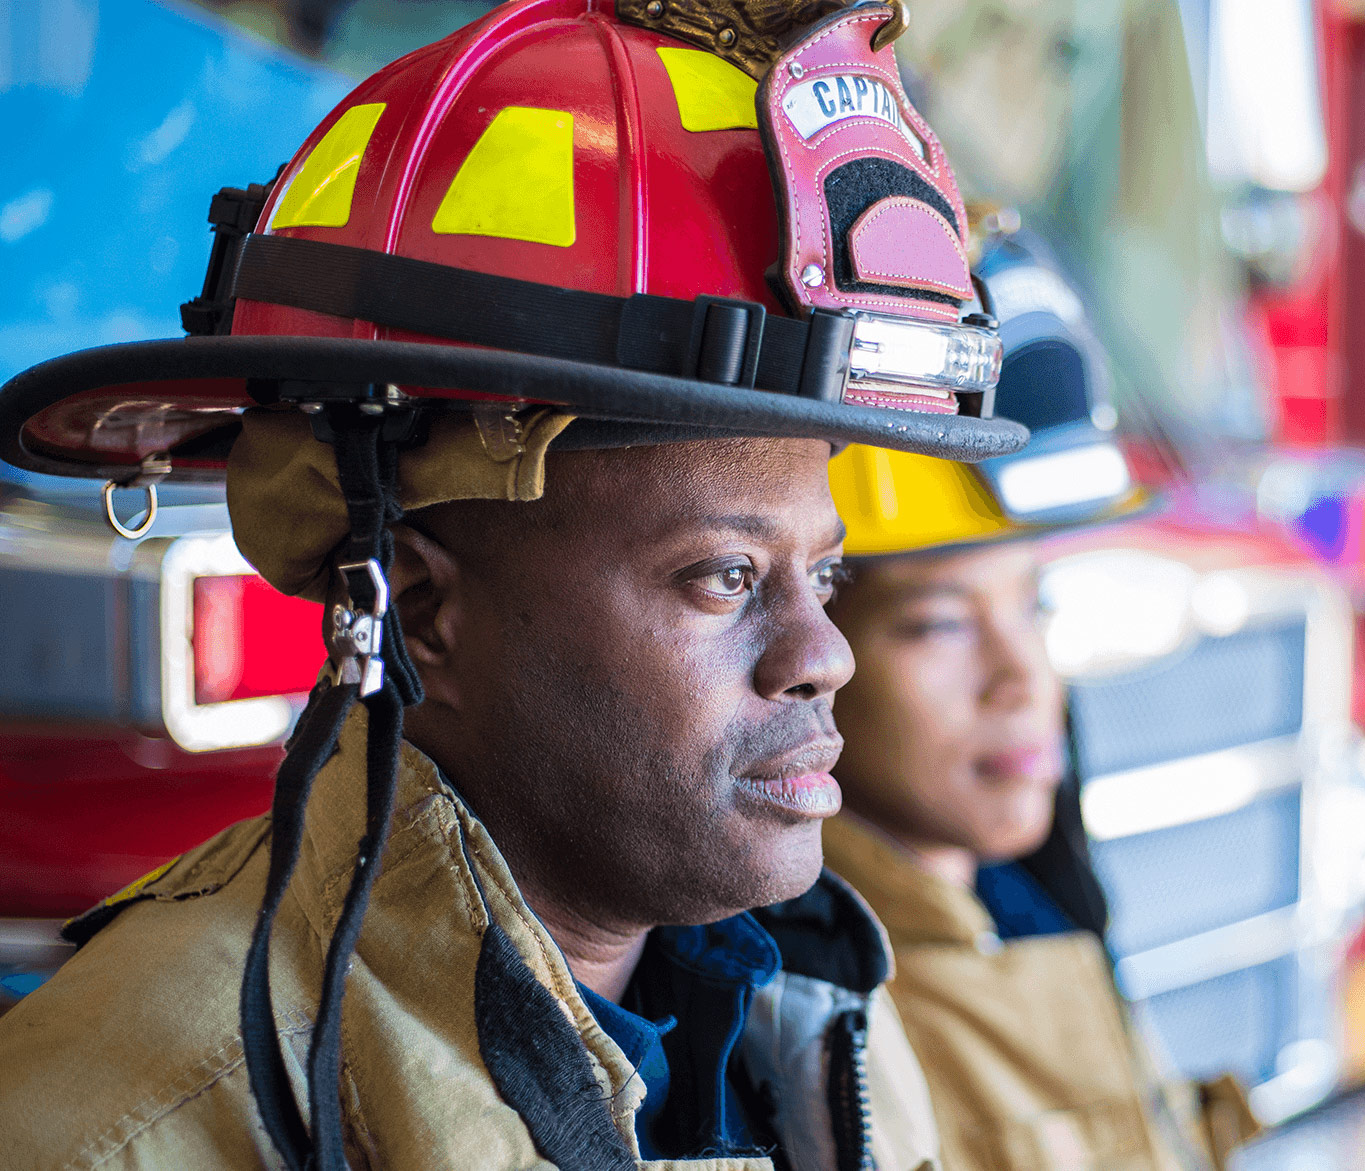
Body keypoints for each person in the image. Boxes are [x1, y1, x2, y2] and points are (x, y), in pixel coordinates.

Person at [0, 1, 1025, 1167]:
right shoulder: (120, 1132)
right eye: (727, 576)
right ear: (422, 609)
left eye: (823, 572)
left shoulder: (824, 1014)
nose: (823, 653)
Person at [819, 231, 1257, 1171]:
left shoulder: (1031, 907)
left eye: (1035, 604)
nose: (1025, 681)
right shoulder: (817, 1028)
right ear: (808, 645)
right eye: (939, 622)